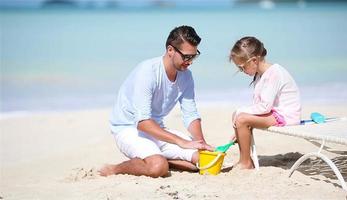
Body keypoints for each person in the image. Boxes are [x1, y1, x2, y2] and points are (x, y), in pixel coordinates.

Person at [99, 25, 213, 178]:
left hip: (157, 130)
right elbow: (142, 122)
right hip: (129, 128)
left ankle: (162, 158)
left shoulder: (186, 76)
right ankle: (113, 169)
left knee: (203, 161)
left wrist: (201, 144)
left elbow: (191, 114)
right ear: (170, 50)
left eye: (193, 56)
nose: (190, 62)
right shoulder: (147, 72)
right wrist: (182, 142)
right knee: (158, 167)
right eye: (186, 57)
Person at [229, 36, 301, 169]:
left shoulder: (274, 73)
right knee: (239, 117)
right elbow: (258, 105)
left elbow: (264, 107)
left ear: (254, 60)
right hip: (274, 112)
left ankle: (246, 163)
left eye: (242, 67)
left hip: (286, 115)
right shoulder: (259, 75)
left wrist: (241, 114)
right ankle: (244, 158)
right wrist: (239, 131)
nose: (242, 71)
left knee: (242, 118)